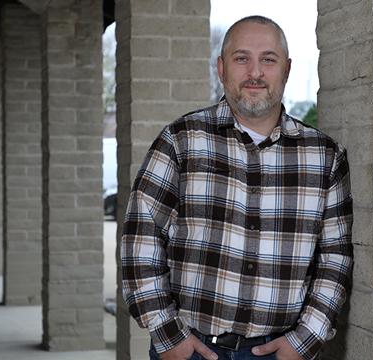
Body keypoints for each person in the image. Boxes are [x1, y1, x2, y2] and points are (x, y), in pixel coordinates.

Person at [121, 15, 353, 360]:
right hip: (192, 348)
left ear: (286, 69)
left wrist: (303, 342)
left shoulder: (324, 156)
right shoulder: (181, 141)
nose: (255, 73)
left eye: (268, 60)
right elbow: (142, 239)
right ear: (221, 67)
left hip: (278, 352)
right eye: (241, 58)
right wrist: (168, 335)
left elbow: (334, 258)